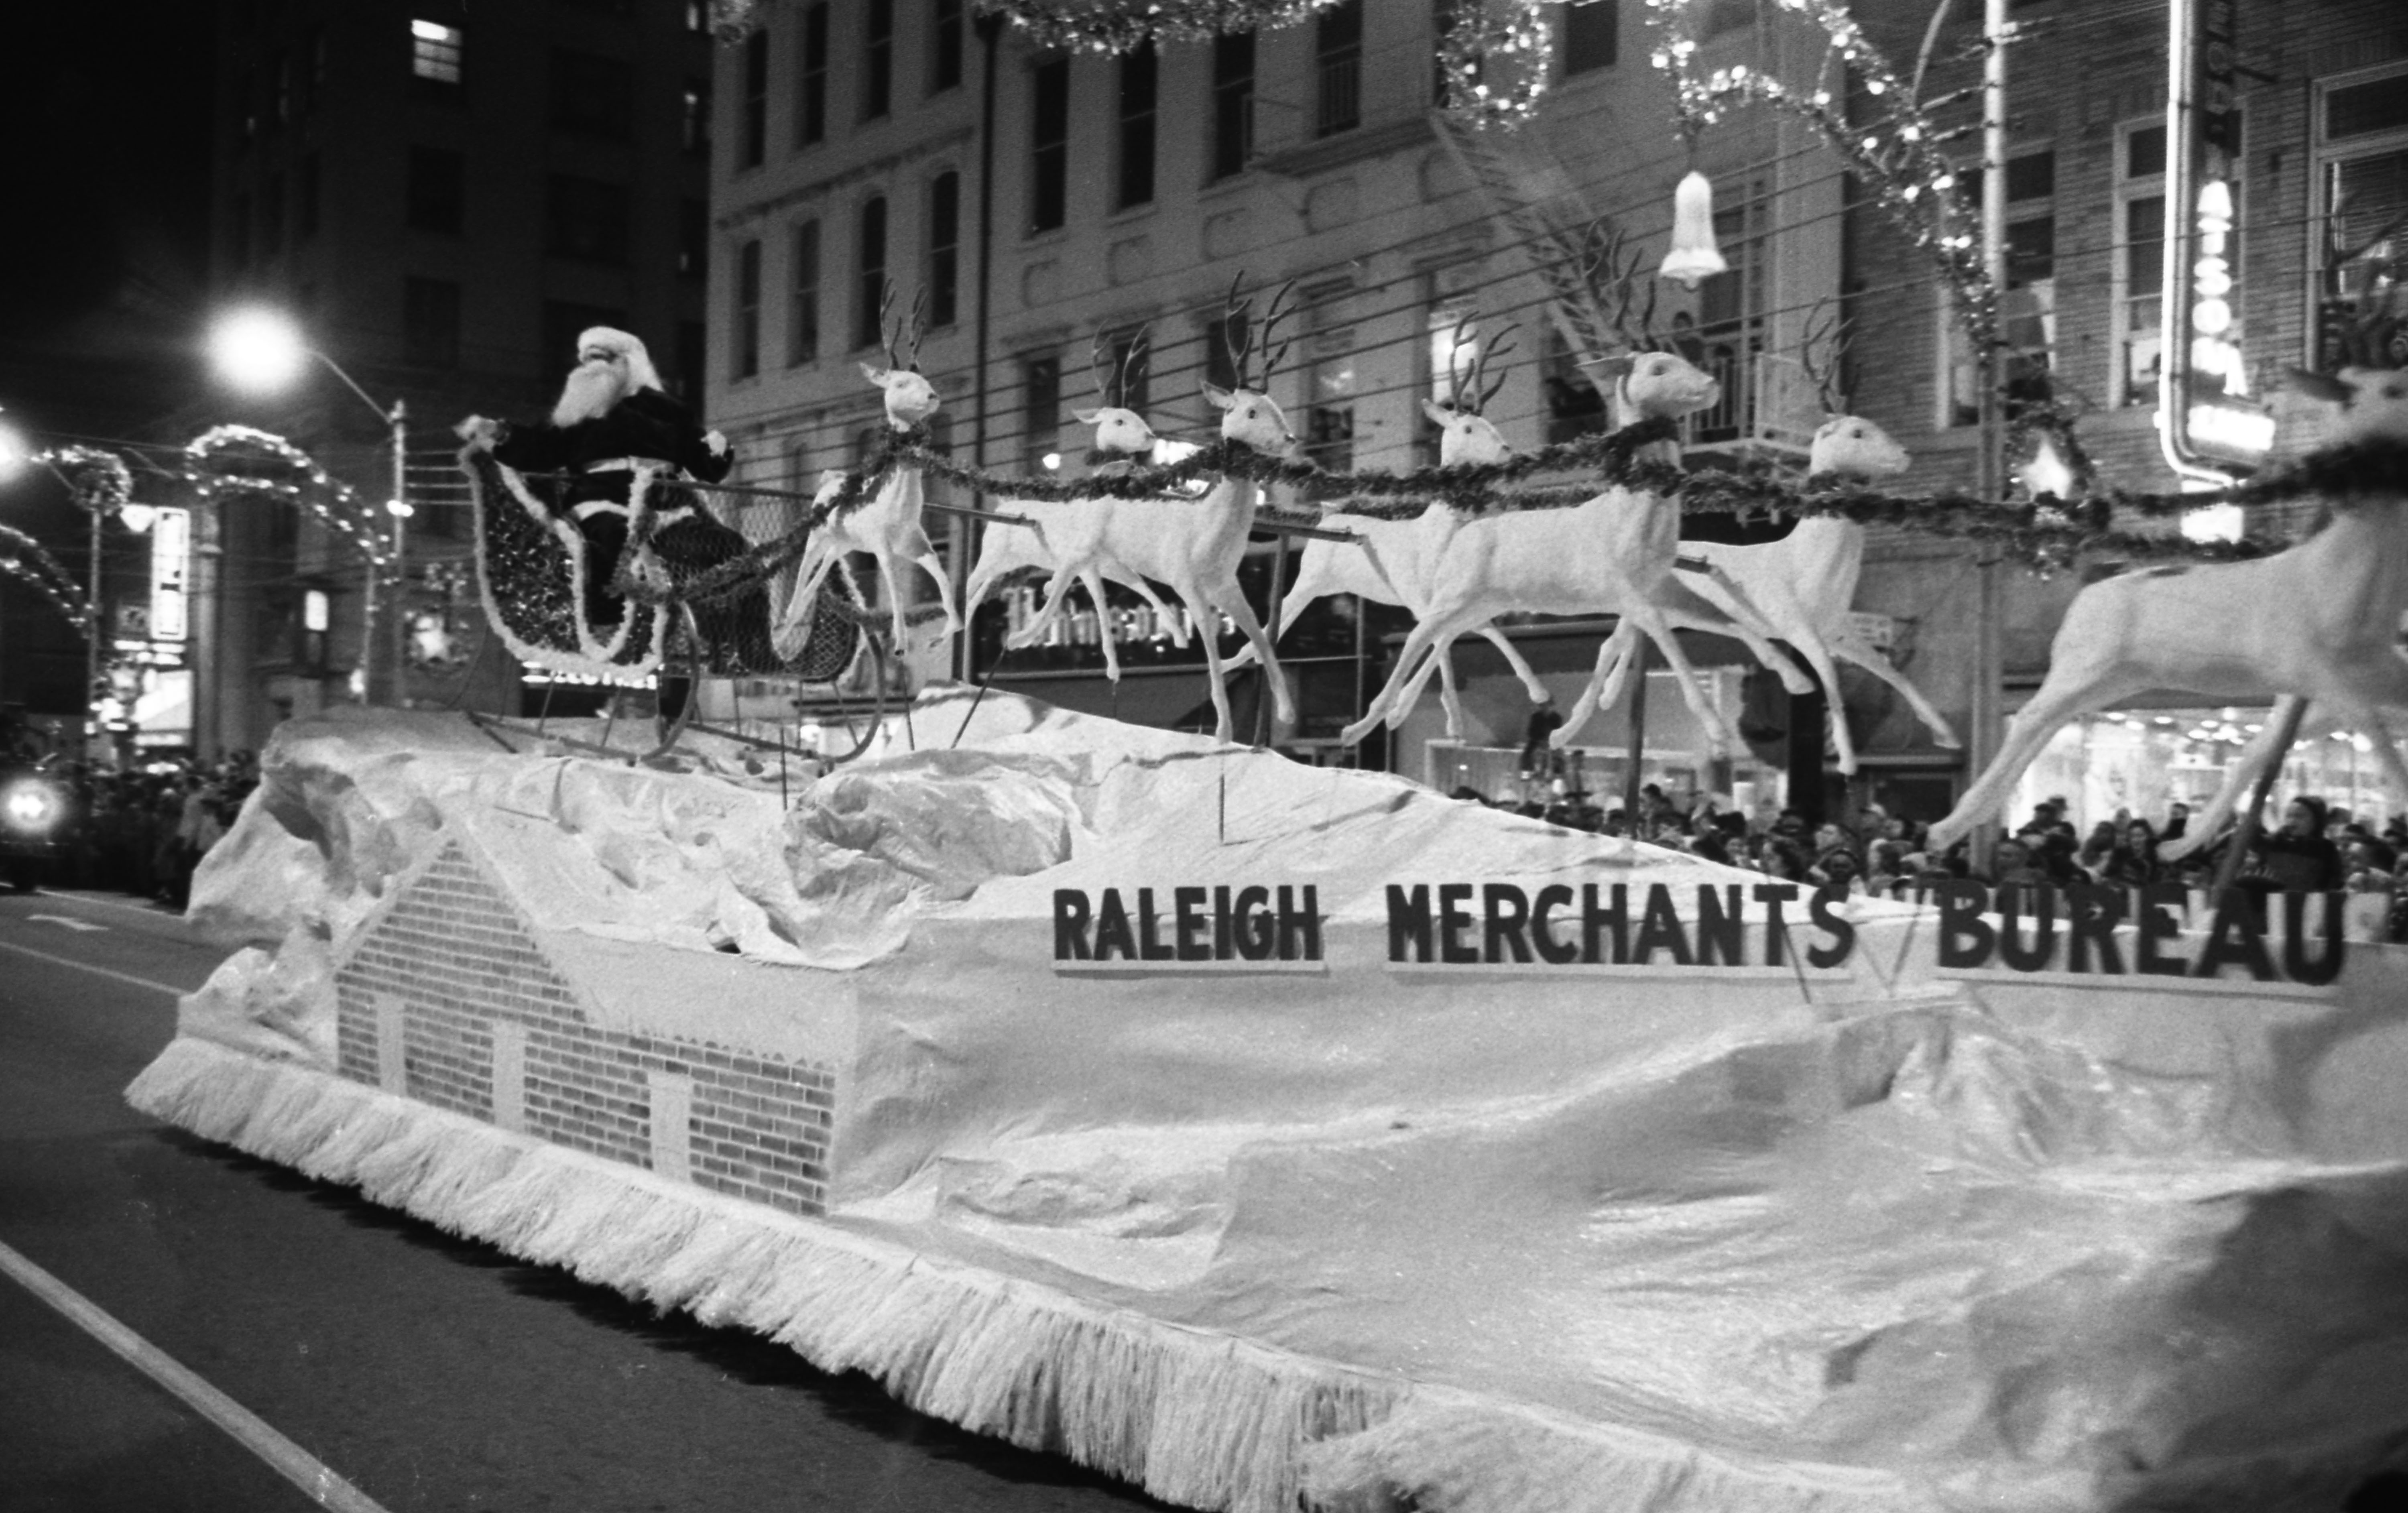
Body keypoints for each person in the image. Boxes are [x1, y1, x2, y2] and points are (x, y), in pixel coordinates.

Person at [461, 327, 766, 668]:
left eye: (601, 358)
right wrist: (502, 433)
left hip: (663, 508)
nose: (591, 367)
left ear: (627, 363)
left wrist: (719, 450)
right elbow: (540, 450)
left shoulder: (669, 411)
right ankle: (609, 627)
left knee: (730, 547)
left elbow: (706, 467)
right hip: (600, 503)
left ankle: (748, 643)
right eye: (586, 359)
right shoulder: (577, 412)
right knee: (616, 537)